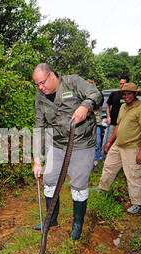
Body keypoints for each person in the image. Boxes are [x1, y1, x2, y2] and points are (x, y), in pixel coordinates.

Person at [32, 63, 103, 240]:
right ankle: (51, 220)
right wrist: (37, 159)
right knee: (49, 180)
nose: (41, 88)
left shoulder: (73, 82)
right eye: (37, 85)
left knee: (78, 185)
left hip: (81, 143)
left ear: (52, 75)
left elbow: (97, 94)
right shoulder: (40, 97)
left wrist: (85, 106)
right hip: (57, 144)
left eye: (42, 83)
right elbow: (39, 127)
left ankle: (77, 225)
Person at [96, 82, 141, 214]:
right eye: (124, 94)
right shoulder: (123, 107)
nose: (126, 96)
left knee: (133, 175)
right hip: (117, 145)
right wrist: (109, 142)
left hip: (132, 148)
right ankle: (103, 189)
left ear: (135, 94)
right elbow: (118, 126)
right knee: (108, 167)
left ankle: (137, 203)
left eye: (129, 93)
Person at [103, 75, 129, 156]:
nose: (121, 85)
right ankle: (105, 158)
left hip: (124, 125)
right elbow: (108, 106)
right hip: (113, 123)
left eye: (123, 84)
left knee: (122, 143)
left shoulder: (129, 96)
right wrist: (108, 116)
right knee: (106, 142)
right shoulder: (114, 94)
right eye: (120, 83)